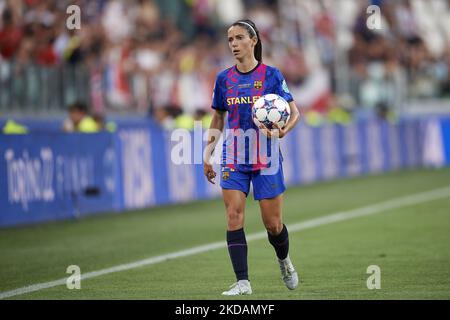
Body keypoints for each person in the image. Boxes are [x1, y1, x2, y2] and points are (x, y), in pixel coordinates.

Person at [203, 19, 301, 296]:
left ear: (253, 41)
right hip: (233, 156)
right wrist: (207, 153)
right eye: (230, 39)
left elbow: (295, 113)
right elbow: (218, 116)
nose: (233, 44)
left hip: (265, 158)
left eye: (238, 38)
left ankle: (284, 260)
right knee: (233, 216)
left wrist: (283, 131)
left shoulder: (271, 75)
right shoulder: (224, 79)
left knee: (273, 224)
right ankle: (243, 282)